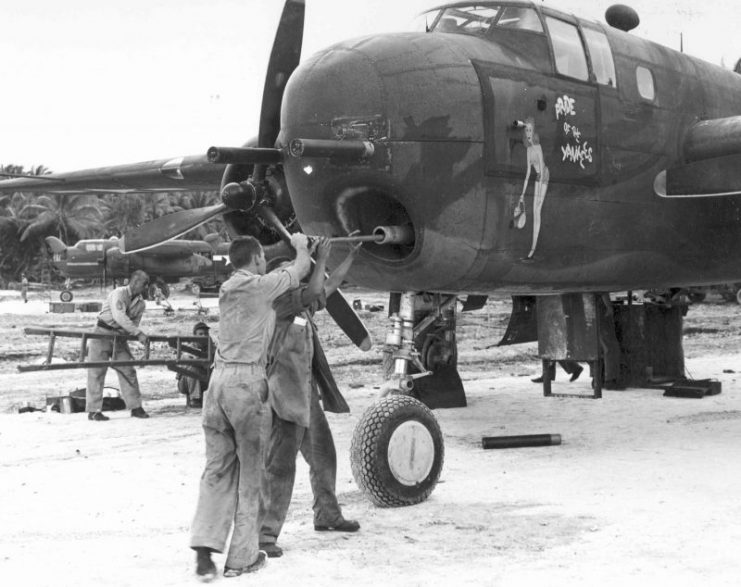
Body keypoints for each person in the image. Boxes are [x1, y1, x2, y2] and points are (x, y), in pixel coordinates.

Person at [190, 233, 311, 581]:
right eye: (262, 257)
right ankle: (241, 557)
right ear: (257, 257)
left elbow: (282, 276)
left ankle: (203, 549)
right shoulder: (260, 287)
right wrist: (303, 246)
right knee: (251, 476)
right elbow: (300, 270)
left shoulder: (228, 289)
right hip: (246, 386)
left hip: (216, 387)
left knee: (215, 471)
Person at [259, 239, 362, 559]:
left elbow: (327, 286)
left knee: (323, 456)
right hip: (283, 397)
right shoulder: (279, 302)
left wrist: (351, 256)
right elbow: (317, 284)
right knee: (280, 467)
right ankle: (264, 534)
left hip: (306, 396)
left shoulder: (301, 304)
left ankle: (327, 514)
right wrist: (321, 258)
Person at [86, 269, 150, 421]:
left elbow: (134, 323)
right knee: (96, 372)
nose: (146, 287)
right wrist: (138, 333)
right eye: (144, 284)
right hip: (101, 333)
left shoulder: (141, 304)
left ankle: (136, 407)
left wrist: (134, 333)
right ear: (134, 282)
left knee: (128, 370)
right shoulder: (119, 293)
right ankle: (94, 410)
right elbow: (119, 316)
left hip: (119, 338)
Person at [518, 117, 550, 261]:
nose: (529, 132)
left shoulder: (538, 147)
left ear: (533, 132)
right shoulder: (528, 151)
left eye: (530, 130)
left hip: (544, 175)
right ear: (525, 133)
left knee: (537, 210)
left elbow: (542, 171)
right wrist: (522, 194)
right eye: (527, 130)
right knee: (534, 211)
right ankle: (532, 249)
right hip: (537, 177)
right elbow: (528, 174)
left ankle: (532, 250)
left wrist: (537, 194)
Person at [177, 321, 215, 408]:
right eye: (200, 334)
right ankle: (194, 399)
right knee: (192, 369)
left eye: (206, 333)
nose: (204, 336)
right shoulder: (189, 348)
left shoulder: (212, 347)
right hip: (185, 383)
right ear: (194, 335)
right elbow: (186, 360)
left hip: (206, 379)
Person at [598, 292, 623, 390]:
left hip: (596, 308)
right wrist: (608, 306)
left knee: (605, 347)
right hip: (601, 309)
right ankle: (610, 379)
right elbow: (603, 290)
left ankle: (601, 378)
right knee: (610, 348)